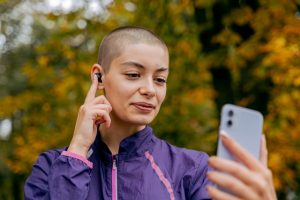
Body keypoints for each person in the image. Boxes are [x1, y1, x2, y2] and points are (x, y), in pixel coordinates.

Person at [24, 26, 277, 200]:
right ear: (99, 77)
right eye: (134, 75)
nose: (149, 90)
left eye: (160, 79)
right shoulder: (52, 166)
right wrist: (78, 149)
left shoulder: (192, 169)